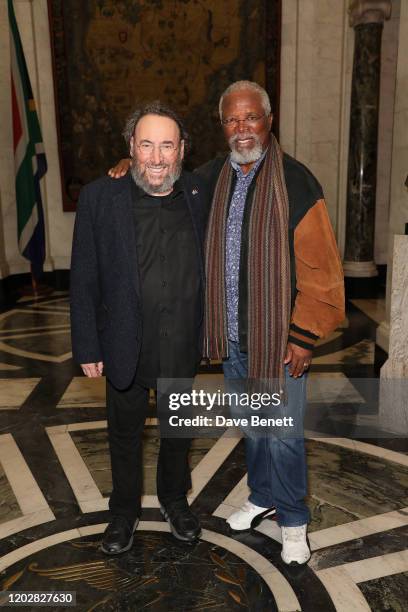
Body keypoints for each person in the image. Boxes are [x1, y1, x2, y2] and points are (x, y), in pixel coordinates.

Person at [108, 81, 345, 565]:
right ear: (222, 127)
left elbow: (322, 270)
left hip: (279, 339)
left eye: (251, 118)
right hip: (233, 338)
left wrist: (303, 337)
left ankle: (294, 520)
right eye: (232, 121)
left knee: (282, 432)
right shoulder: (211, 177)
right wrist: (130, 167)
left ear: (269, 120)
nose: (242, 129)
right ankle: (261, 497)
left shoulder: (297, 182)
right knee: (253, 425)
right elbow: (164, 177)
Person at [70, 102, 209, 555]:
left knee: (178, 430)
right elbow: (84, 276)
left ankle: (174, 500)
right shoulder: (99, 198)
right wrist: (87, 343)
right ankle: (123, 512)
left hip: (182, 340)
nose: (156, 156)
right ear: (130, 147)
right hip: (124, 341)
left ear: (182, 150)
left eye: (166, 145)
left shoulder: (200, 193)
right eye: (146, 144)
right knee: (124, 434)